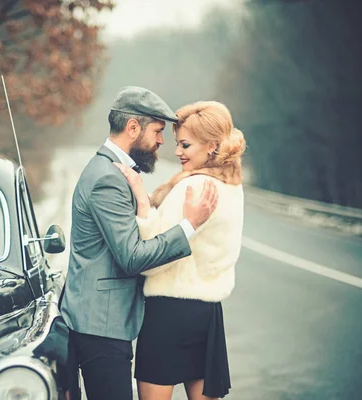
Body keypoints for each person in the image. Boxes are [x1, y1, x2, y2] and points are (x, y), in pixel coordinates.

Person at [60, 86, 219, 400]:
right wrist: (189, 225)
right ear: (133, 128)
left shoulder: (113, 172)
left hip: (100, 321)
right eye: (158, 131)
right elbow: (131, 256)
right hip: (101, 326)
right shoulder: (107, 178)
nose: (162, 141)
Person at [114, 101, 246, 400]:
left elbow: (149, 259)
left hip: (169, 313)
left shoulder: (193, 188)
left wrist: (144, 206)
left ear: (211, 146)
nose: (177, 152)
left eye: (185, 144)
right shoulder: (232, 186)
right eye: (177, 143)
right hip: (208, 314)